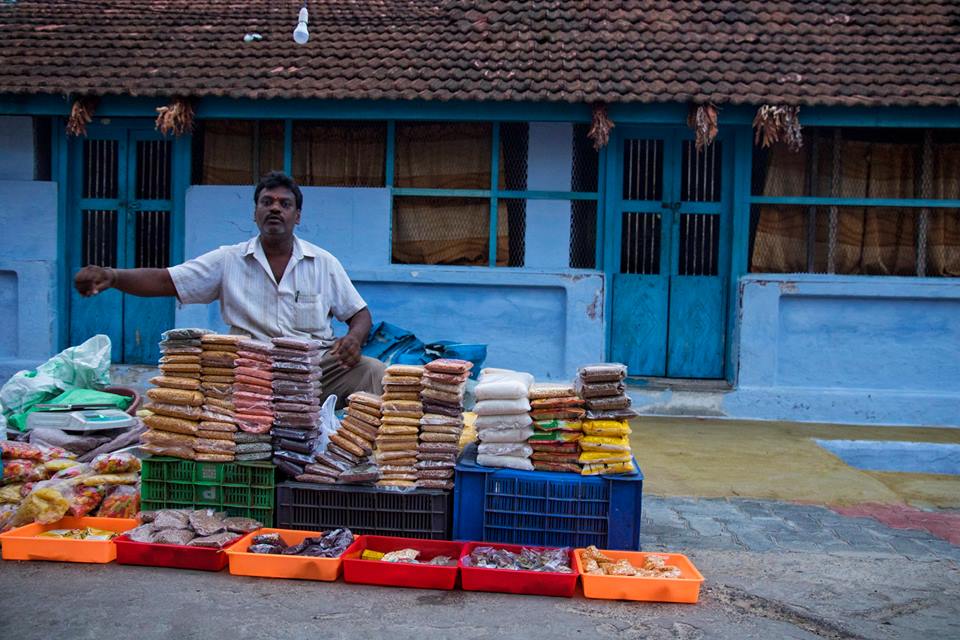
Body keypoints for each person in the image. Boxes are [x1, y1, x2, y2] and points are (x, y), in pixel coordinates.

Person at [74, 171, 385, 407]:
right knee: (194, 388)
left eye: (284, 204)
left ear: (297, 216)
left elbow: (359, 314)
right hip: (249, 369)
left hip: (313, 370)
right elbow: (167, 280)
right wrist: (112, 276)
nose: (275, 209)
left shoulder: (323, 263)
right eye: (267, 202)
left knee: (374, 371)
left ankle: (366, 463)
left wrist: (354, 339)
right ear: (255, 213)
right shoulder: (228, 260)